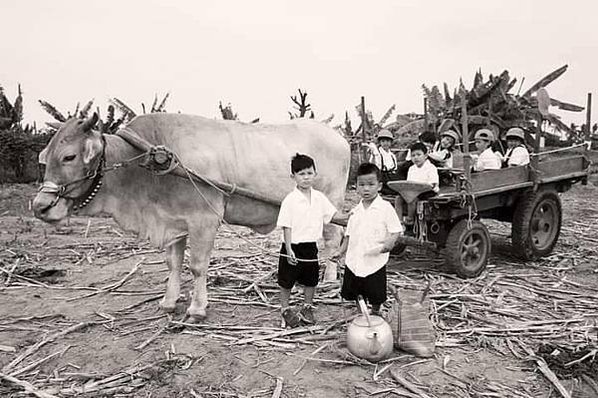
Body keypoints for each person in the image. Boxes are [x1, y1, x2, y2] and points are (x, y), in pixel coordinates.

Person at [276, 153, 346, 328]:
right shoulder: (290, 200)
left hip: (310, 246)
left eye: (309, 173)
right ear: (293, 177)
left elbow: (333, 215)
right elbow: (286, 226)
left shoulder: (319, 198)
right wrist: (289, 248)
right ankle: (285, 310)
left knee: (311, 279)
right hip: (291, 246)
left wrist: (351, 216)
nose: (306, 178)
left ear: (315, 174)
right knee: (286, 280)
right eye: (301, 174)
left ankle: (307, 307)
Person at [332, 163, 403, 315]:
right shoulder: (355, 211)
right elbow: (348, 235)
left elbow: (396, 230)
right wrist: (341, 251)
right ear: (356, 187)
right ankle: (362, 313)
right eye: (362, 184)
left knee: (376, 292)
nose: (366, 189)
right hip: (355, 259)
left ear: (379, 186)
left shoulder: (385, 208)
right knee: (357, 291)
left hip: (374, 259)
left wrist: (390, 242)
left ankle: (376, 312)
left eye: (371, 184)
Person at [395, 142, 439, 233]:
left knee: (412, 199)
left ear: (426, 155)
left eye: (419, 155)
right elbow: (409, 183)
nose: (416, 157)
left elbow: (433, 184)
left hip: (427, 190)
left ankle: (410, 219)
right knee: (398, 198)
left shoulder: (431, 167)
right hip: (414, 190)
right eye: (413, 155)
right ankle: (399, 222)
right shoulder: (411, 169)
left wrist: (419, 189)